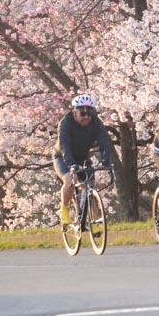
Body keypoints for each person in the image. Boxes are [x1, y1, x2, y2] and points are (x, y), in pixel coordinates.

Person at [52, 94, 114, 225]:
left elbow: (104, 140)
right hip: (62, 157)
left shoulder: (96, 122)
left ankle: (96, 221)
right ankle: (64, 209)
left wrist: (105, 161)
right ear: (74, 112)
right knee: (69, 179)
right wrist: (71, 164)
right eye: (82, 113)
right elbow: (64, 145)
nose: (86, 117)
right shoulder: (65, 123)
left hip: (82, 157)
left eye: (89, 113)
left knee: (89, 187)